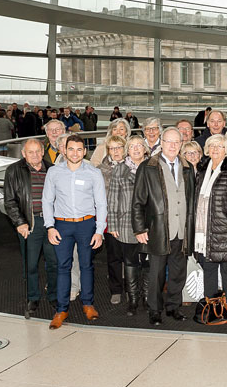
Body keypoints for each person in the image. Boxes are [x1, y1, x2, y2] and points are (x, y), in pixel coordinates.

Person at [132, 127, 196, 326]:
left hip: (182, 230)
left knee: (178, 272)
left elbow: (191, 200)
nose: (173, 145)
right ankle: (155, 309)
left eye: (177, 142)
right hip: (158, 229)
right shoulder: (147, 167)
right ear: (161, 142)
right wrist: (140, 228)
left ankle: (173, 307)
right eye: (169, 141)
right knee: (156, 274)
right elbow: (138, 201)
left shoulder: (187, 168)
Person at [43, 135, 107, 329]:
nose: (75, 153)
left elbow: (101, 203)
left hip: (86, 225)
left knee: (87, 265)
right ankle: (62, 309)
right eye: (71, 149)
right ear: (64, 150)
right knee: (64, 267)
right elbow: (47, 201)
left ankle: (88, 304)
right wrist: (49, 226)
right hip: (62, 225)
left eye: (79, 149)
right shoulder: (54, 172)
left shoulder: (93, 173)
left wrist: (99, 231)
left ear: (84, 151)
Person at [193, 133, 227, 315]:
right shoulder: (202, 170)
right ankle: (212, 304)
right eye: (212, 146)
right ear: (207, 149)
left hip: (225, 230)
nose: (215, 149)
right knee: (208, 268)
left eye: (220, 146)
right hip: (204, 229)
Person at [3, 138, 58, 313]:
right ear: (24, 154)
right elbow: (10, 201)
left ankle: (54, 296)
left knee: (54, 262)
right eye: (30, 152)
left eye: (37, 151)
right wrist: (20, 222)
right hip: (29, 224)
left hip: (52, 224)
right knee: (31, 264)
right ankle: (33, 298)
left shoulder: (53, 170)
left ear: (43, 152)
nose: (34, 155)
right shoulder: (13, 171)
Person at [107, 135, 149, 316]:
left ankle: (147, 298)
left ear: (145, 148)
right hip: (125, 224)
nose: (136, 149)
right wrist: (113, 224)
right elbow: (113, 200)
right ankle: (133, 299)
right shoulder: (119, 170)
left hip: (150, 224)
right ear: (127, 150)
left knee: (148, 262)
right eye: (132, 146)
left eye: (139, 145)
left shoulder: (153, 167)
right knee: (130, 262)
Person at [98, 135, 127, 305]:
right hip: (111, 219)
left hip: (130, 220)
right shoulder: (101, 170)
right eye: (112, 148)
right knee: (114, 256)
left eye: (119, 147)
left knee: (132, 257)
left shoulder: (133, 166)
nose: (116, 151)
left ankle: (132, 288)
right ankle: (116, 289)